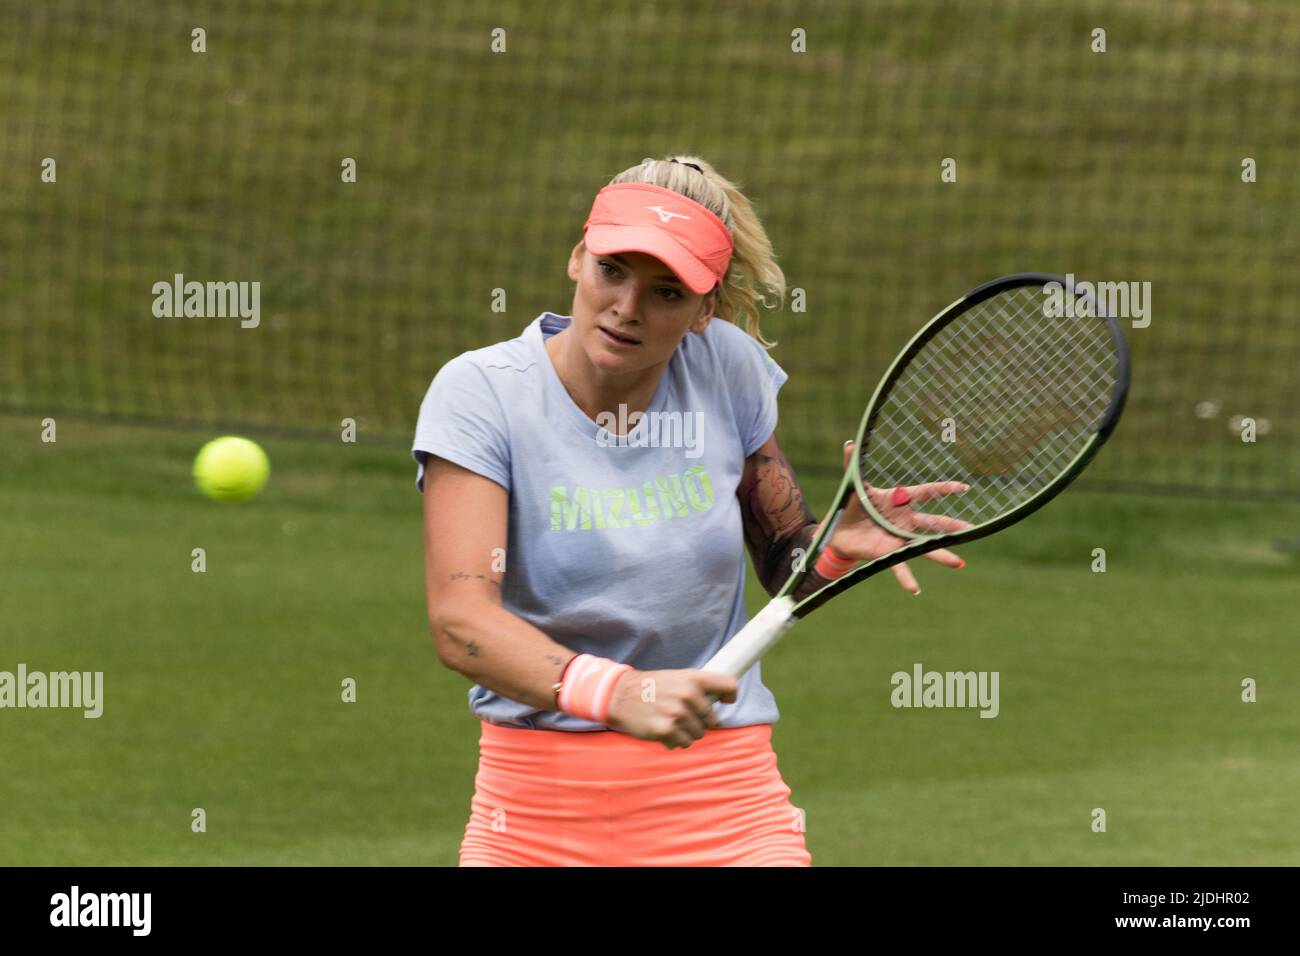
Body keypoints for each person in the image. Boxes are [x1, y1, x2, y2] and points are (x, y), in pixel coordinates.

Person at [413, 155, 966, 866]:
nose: (628, 307)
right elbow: (462, 624)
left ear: (705, 310)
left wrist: (831, 547)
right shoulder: (481, 393)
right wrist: (618, 691)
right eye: (613, 270)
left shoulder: (725, 369)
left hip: (725, 810)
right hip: (533, 818)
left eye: (668, 292)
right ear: (578, 257)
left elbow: (783, 560)